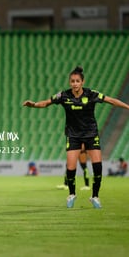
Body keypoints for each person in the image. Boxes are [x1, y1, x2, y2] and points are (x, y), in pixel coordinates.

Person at [23, 66, 129, 209]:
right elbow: (47, 102)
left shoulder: (91, 94)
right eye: (72, 81)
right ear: (70, 82)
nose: (74, 83)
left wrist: (127, 107)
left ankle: (95, 196)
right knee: (71, 168)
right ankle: (72, 194)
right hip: (73, 136)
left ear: (82, 82)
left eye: (77, 81)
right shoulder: (63, 96)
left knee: (98, 167)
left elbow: (111, 100)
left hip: (91, 135)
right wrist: (34, 105)